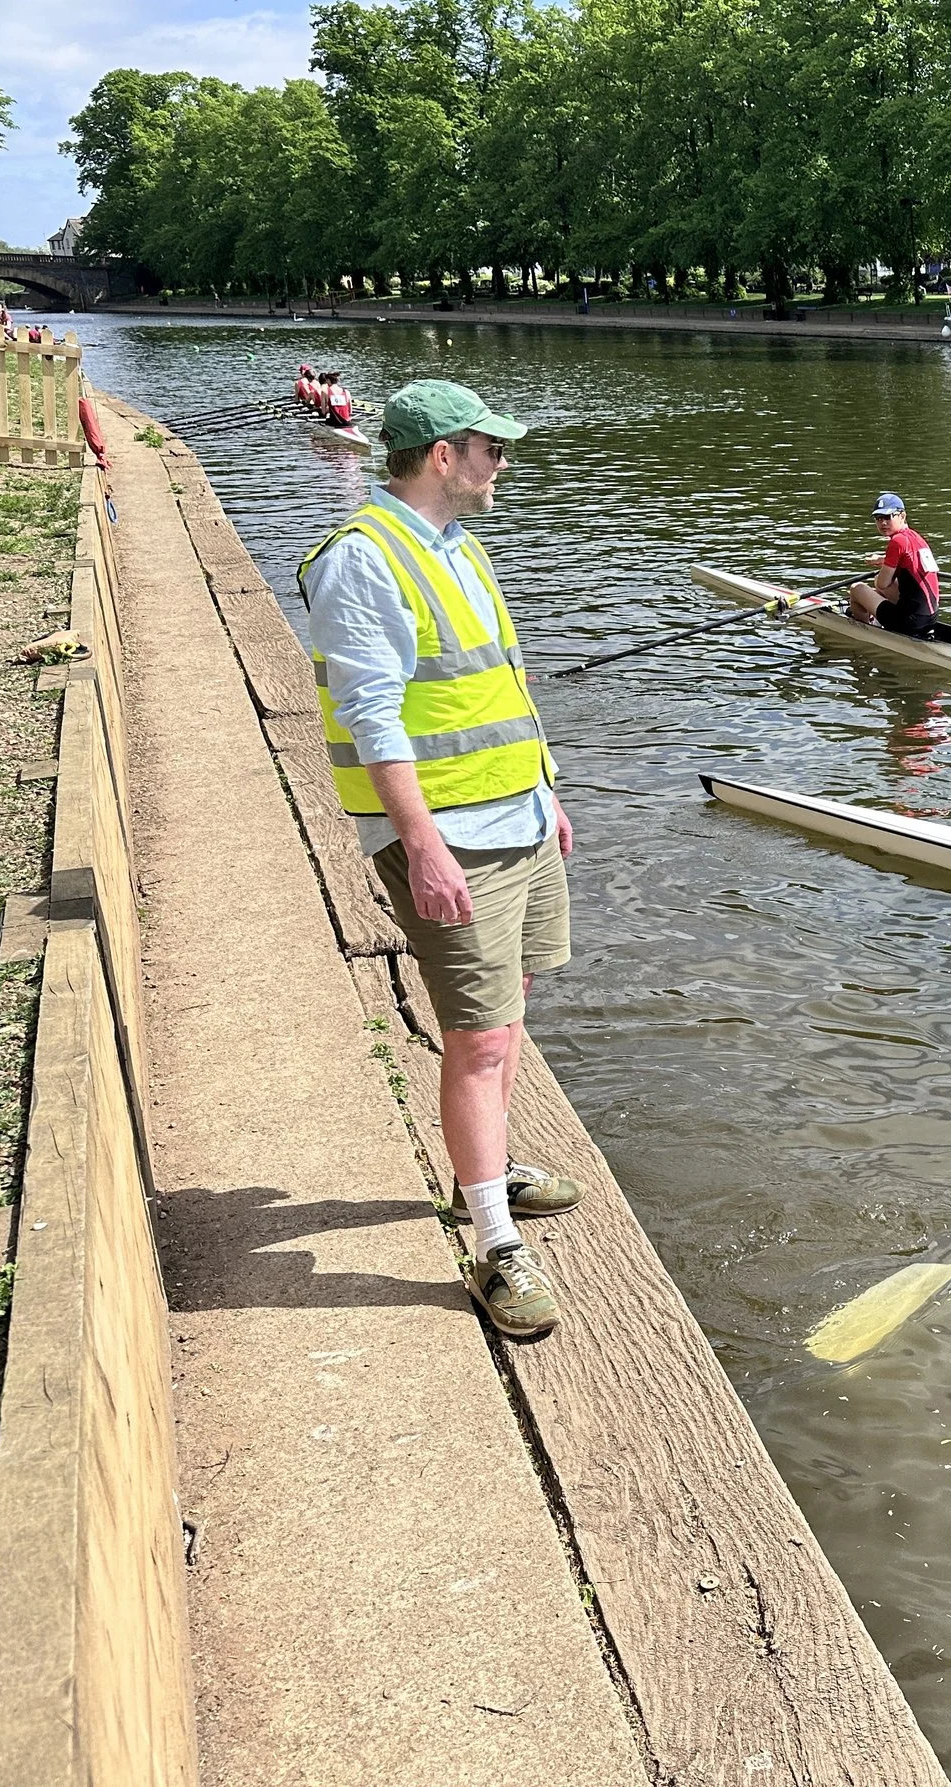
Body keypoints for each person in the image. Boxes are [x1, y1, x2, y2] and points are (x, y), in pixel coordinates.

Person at [297, 381, 582, 1338]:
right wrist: (420, 846)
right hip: (453, 837)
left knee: (511, 1007)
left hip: (518, 819)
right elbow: (373, 718)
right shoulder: (364, 559)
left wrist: (546, 794)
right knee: (479, 1035)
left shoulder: (459, 545)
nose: (503, 463)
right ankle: (495, 1242)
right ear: (442, 456)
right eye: (489, 448)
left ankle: (486, 1173)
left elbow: (499, 685)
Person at [847, 490, 940, 637]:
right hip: (930, 618)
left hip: (909, 622)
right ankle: (877, 614)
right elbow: (909, 560)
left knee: (856, 589)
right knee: (880, 584)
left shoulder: (897, 541)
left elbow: (882, 584)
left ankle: (866, 632)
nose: (883, 523)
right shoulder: (915, 537)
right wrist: (884, 560)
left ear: (902, 516)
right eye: (878, 518)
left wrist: (880, 578)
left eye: (888, 517)